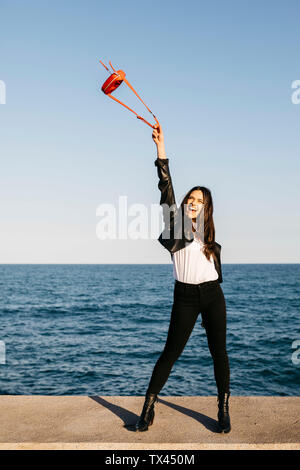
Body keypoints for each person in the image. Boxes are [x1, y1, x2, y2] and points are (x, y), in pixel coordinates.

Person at [135, 124, 231, 433]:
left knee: (220, 352)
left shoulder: (210, 239)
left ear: (206, 207)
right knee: (170, 353)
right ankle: (148, 407)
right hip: (186, 297)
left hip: (213, 295)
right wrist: (161, 150)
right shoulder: (178, 229)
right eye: (190, 198)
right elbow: (166, 190)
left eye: (199, 200)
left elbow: (215, 272)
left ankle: (223, 408)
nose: (192, 202)